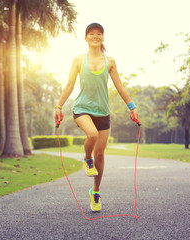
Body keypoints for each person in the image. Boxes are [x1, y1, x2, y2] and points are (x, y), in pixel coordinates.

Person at [55, 23, 139, 212]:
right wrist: (59, 106)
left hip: (103, 112)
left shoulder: (110, 61)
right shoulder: (78, 60)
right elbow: (69, 84)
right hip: (82, 108)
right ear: (86, 38)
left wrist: (132, 107)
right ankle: (86, 159)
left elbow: (120, 87)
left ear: (103, 37)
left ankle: (95, 191)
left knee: (100, 153)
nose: (95, 36)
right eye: (91, 33)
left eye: (99, 33)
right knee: (91, 135)